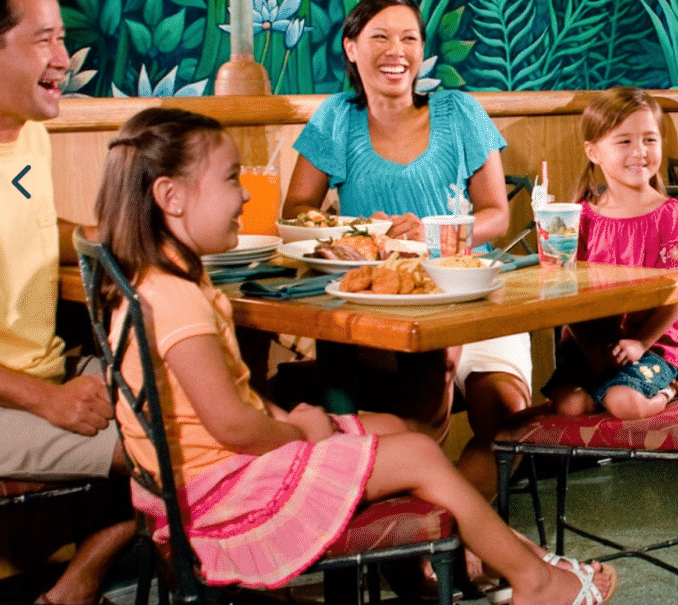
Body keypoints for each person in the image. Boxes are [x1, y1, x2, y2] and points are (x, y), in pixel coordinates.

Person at [93, 106, 616, 605]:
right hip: (220, 497)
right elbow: (231, 425)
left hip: (208, 479)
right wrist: (300, 433)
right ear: (170, 196)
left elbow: (228, 399)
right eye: (231, 179)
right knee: (419, 455)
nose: (244, 198)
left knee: (401, 429)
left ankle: (512, 560)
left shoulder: (166, 280)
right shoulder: (177, 298)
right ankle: (532, 579)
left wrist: (286, 418)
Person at [282, 0, 530, 502]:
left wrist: (433, 233)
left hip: (472, 290)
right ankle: (437, 548)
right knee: (419, 409)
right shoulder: (336, 119)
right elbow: (295, 212)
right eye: (379, 37)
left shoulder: (460, 111)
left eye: (409, 38)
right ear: (351, 48)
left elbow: (497, 215)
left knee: (507, 420)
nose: (396, 50)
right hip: (388, 308)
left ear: (421, 51)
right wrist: (359, 230)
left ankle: (452, 538)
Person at [0, 0, 136, 605]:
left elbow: (29, 222)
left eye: (62, 37)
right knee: (169, 445)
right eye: (44, 39)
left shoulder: (28, 136)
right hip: (14, 400)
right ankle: (75, 590)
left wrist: (98, 236)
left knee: (192, 392)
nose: (63, 56)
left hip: (47, 376)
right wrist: (43, 400)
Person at [543, 87, 678, 420]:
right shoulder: (579, 217)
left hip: (652, 345)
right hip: (587, 344)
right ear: (593, 152)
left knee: (623, 403)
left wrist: (640, 342)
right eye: (624, 141)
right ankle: (604, 392)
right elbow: (564, 290)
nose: (639, 151)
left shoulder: (673, 214)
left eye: (650, 140)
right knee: (568, 406)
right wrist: (589, 347)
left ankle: (667, 389)